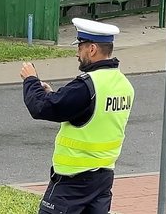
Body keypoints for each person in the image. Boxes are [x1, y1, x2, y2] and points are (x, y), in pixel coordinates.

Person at [20, 18, 135, 214]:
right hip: (102, 179)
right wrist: (53, 95)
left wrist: (31, 80)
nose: (77, 53)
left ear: (92, 49)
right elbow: (88, 113)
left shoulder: (86, 86)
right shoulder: (124, 85)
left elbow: (41, 108)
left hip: (72, 182)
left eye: (80, 47)